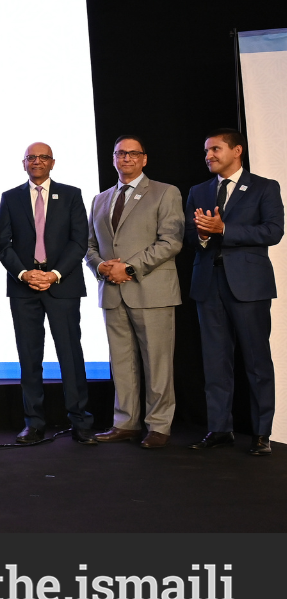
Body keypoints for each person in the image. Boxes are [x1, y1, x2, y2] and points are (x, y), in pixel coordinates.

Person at [185, 128, 283, 455]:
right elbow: (190, 236)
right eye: (206, 151)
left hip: (249, 286)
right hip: (207, 285)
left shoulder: (264, 188)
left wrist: (224, 229)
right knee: (215, 362)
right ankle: (219, 428)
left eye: (215, 149)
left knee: (256, 362)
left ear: (237, 150)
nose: (208, 156)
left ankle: (261, 433)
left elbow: (273, 231)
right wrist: (201, 234)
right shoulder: (199, 191)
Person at [85, 136, 184, 449]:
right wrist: (101, 267)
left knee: (157, 363)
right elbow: (89, 246)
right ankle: (125, 422)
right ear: (114, 159)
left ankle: (159, 426)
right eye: (119, 153)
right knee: (121, 362)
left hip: (151, 291)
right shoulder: (100, 199)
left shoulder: (165, 192)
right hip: (112, 293)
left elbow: (171, 242)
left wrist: (127, 268)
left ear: (144, 159)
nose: (125, 158)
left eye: (132, 153)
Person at [0, 143, 96, 444]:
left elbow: (80, 242)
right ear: (23, 163)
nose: (36, 162)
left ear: (52, 163)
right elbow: (4, 244)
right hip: (23, 287)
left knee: (70, 355)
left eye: (42, 157)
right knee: (29, 357)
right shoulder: (10, 197)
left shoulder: (71, 194)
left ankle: (81, 422)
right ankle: (34, 423)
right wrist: (26, 274)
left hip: (62, 285)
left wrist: (53, 275)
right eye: (31, 158)